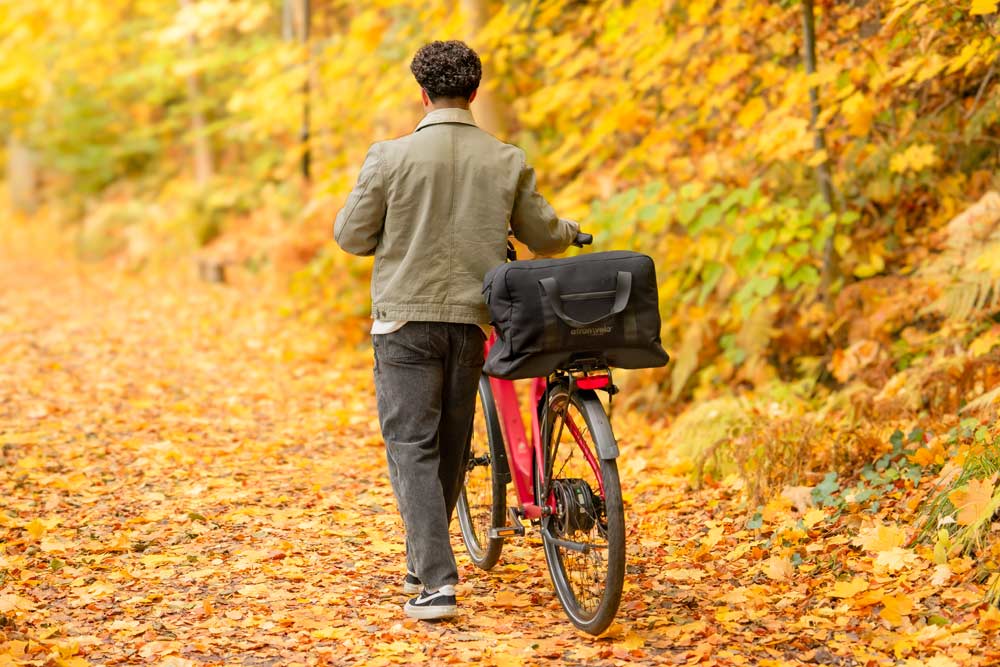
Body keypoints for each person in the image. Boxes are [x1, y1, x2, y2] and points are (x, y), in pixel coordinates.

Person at [333, 40, 579, 620]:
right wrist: (570, 230)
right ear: (473, 93)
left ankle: (435, 581)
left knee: (411, 446)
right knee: (447, 444)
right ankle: (427, 563)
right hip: (471, 323)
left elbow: (350, 236)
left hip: (404, 323)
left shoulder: (388, 158)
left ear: (421, 94)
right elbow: (544, 235)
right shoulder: (505, 159)